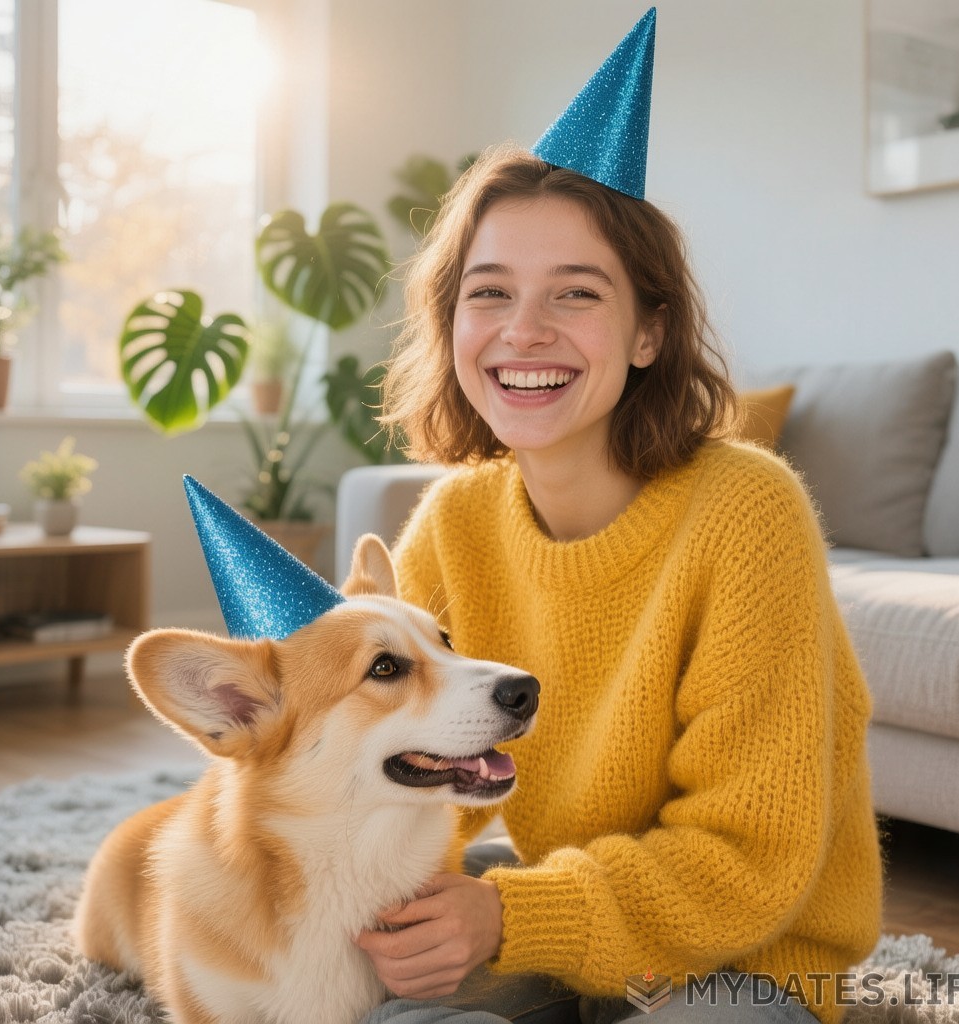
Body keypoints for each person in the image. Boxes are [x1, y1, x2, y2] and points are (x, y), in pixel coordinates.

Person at [354, 13, 882, 1024]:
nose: (522, 331)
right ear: (451, 321)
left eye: (576, 294)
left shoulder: (747, 510)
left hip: (753, 956)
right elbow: (378, 773)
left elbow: (749, 859)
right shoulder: (455, 521)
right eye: (490, 292)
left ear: (649, 330)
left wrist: (505, 915)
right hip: (563, 903)